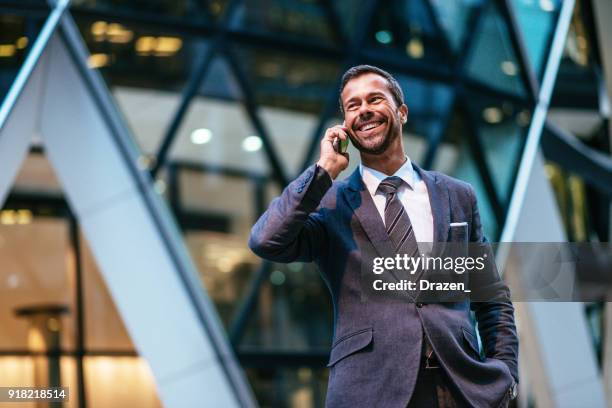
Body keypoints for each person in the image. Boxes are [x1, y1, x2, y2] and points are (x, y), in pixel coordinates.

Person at [249, 65, 518, 407]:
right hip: (369, 391)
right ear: (345, 123)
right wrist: (323, 172)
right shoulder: (330, 203)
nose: (364, 110)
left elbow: (490, 297)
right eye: (353, 105)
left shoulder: (457, 195)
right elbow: (265, 240)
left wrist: (505, 374)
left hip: (459, 388)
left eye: (375, 99)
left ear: (401, 112)